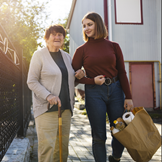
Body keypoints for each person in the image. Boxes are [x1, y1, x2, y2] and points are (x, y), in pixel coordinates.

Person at [72, 12, 134, 162]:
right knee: (99, 136)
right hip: (94, 94)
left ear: (98, 24)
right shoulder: (81, 50)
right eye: (84, 26)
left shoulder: (114, 46)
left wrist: (129, 96)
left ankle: (116, 158)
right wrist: (91, 81)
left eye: (89, 24)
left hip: (116, 91)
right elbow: (73, 76)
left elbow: (122, 72)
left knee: (120, 132)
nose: (86, 28)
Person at [27, 24, 84, 162]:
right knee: (48, 149)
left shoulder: (67, 57)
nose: (57, 37)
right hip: (47, 109)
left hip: (65, 109)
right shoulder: (39, 55)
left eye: (60, 34)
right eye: (53, 34)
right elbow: (32, 81)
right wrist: (48, 95)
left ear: (63, 38)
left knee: (62, 149)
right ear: (47, 38)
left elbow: (68, 81)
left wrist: (79, 75)